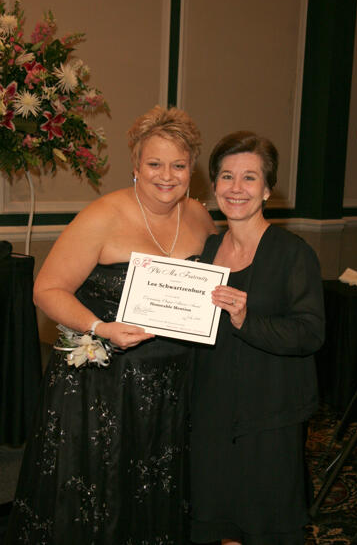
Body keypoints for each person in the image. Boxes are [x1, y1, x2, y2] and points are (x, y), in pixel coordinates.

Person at [5, 105, 216, 545]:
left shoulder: (199, 216)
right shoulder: (103, 215)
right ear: (136, 165)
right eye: (154, 163)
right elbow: (46, 289)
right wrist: (101, 327)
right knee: (102, 495)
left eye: (178, 165)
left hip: (172, 384)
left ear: (191, 169)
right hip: (103, 385)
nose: (166, 175)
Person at [190, 131, 324, 545]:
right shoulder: (207, 250)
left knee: (266, 524)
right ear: (213, 187)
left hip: (269, 415)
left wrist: (247, 319)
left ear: (267, 189)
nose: (236, 188)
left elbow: (310, 332)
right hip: (212, 411)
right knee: (221, 520)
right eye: (226, 176)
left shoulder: (292, 253)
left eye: (250, 178)